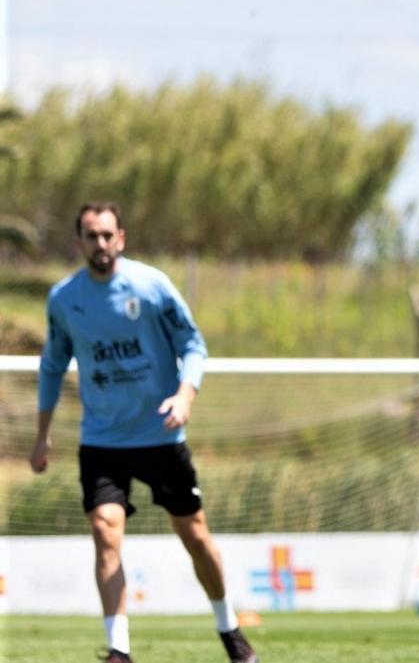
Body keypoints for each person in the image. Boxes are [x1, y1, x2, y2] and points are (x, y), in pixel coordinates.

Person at [29, 203, 257, 663]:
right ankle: (119, 649)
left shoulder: (151, 286)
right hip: (102, 440)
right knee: (104, 531)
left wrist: (185, 396)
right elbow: (53, 364)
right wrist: (42, 434)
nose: (100, 243)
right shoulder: (64, 299)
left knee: (195, 535)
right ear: (80, 243)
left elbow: (193, 345)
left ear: (122, 238)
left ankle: (229, 627)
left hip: (161, 436)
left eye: (107, 235)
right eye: (91, 236)